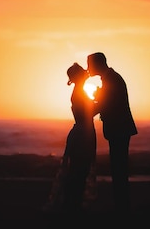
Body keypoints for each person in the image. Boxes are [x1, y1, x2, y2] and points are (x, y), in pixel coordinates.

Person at [87, 52, 137, 214]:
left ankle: (122, 208)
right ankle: (122, 205)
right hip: (119, 129)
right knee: (118, 167)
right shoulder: (111, 79)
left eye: (90, 65)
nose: (88, 69)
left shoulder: (112, 80)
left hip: (119, 129)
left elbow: (107, 105)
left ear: (97, 64)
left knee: (119, 167)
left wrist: (87, 111)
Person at [43, 62, 97, 214]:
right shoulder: (79, 93)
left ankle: (72, 204)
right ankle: (72, 205)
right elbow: (88, 113)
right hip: (83, 134)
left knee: (78, 169)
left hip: (82, 131)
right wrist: (103, 103)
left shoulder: (80, 91)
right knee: (79, 169)